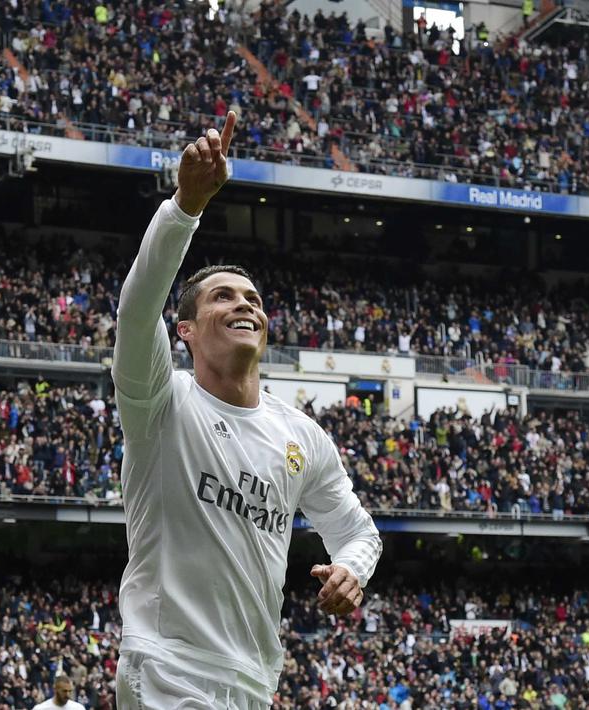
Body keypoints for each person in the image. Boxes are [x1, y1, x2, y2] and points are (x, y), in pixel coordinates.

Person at [111, 110, 382, 709]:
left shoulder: (301, 437)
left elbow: (358, 532)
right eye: (223, 296)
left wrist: (352, 569)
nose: (245, 305)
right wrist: (185, 206)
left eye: (253, 299)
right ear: (183, 328)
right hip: (166, 668)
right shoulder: (159, 402)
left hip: (254, 683)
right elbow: (135, 310)